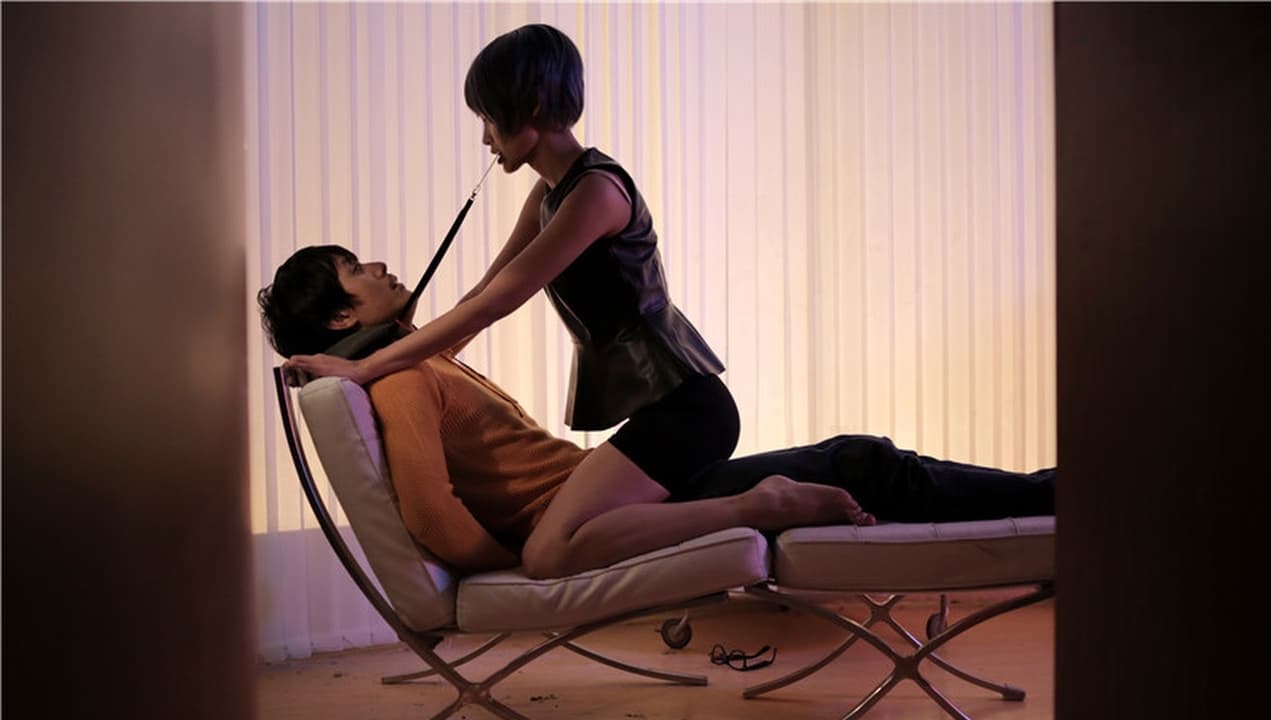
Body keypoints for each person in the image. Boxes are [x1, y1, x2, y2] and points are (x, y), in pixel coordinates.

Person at [259, 246, 1055, 579]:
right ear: (340, 316)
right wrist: (528, 568)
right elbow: (433, 518)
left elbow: (495, 288)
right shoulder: (401, 384)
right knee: (859, 465)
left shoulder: (416, 361)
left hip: (610, 495)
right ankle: (1058, 501)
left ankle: (1053, 496)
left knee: (860, 460)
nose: (379, 265)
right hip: (597, 515)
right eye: (355, 268)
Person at [280, 25, 740, 575]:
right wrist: (407, 352)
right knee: (604, 528)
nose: (486, 139)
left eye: (488, 119)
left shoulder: (596, 193)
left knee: (551, 550)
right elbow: (481, 292)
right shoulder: (550, 193)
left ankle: (760, 509)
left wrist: (365, 366)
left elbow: (496, 302)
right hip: (666, 406)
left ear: (533, 106)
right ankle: (783, 492)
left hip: (688, 405)